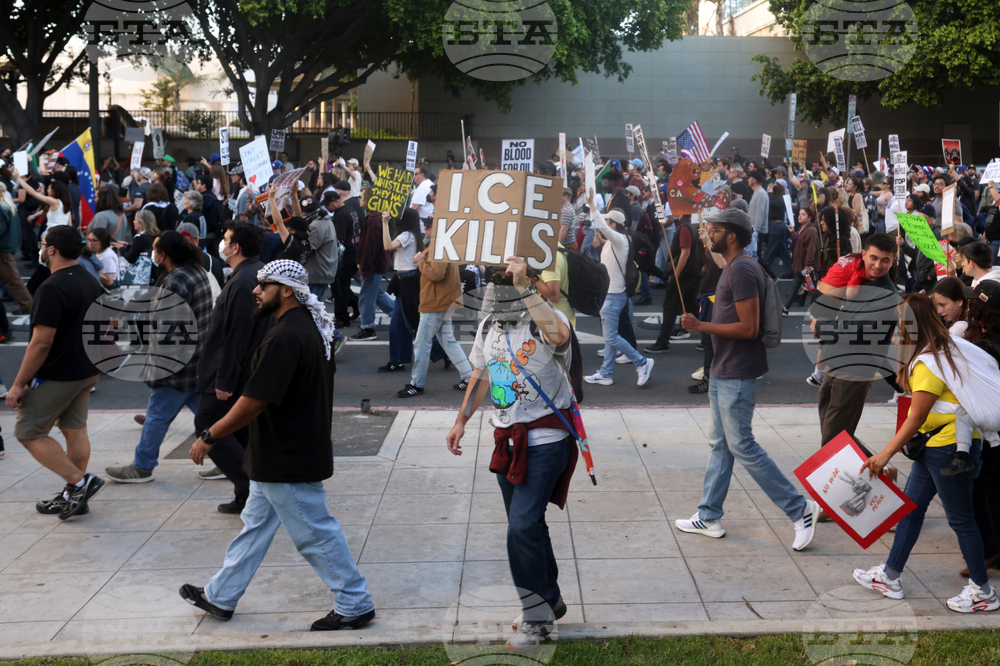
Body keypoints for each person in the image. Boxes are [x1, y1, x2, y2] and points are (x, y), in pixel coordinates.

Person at [181, 259, 376, 631]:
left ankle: (355, 602)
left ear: (286, 290)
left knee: (314, 532)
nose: (256, 290)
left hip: (286, 455)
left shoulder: (285, 336)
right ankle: (220, 595)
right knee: (255, 526)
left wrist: (210, 434)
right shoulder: (305, 327)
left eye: (264, 285)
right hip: (280, 451)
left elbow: (254, 401)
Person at [446, 257, 575, 648]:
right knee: (529, 527)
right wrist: (461, 421)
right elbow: (481, 375)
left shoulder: (548, 319)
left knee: (520, 527)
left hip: (547, 441)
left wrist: (525, 287)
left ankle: (536, 620)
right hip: (507, 440)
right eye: (497, 285)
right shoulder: (489, 326)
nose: (497, 294)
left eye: (509, 286)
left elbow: (559, 339)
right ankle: (551, 599)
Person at [675, 207, 820, 550]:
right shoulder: (733, 265)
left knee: (742, 445)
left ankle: (800, 510)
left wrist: (699, 326)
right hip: (725, 369)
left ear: (732, 235)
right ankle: (708, 515)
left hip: (738, 373)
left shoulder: (741, 270)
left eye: (715, 229)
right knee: (721, 445)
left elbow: (749, 328)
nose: (710, 232)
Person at [853, 293, 999, 613]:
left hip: (948, 448)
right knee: (911, 509)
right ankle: (890, 576)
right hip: (938, 445)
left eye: (897, 327)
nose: (893, 334)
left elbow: (916, 415)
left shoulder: (928, 362)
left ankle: (982, 592)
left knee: (961, 519)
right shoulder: (943, 350)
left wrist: (885, 454)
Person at [5, 225, 105, 519]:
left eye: (44, 243)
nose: (41, 247)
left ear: (52, 250)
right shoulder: (89, 279)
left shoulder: (51, 287)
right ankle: (73, 496)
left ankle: (80, 482)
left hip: (59, 374)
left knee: (27, 432)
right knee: (75, 431)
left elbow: (40, 343)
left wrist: (18, 384)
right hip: (86, 370)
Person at [104, 231, 214, 483]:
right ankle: (234, 459)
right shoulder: (195, 271)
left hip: (177, 367)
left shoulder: (176, 280)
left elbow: (169, 333)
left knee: (156, 417)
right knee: (209, 418)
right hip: (198, 361)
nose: (153, 254)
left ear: (163, 255)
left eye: (155, 250)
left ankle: (142, 466)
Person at [194, 222, 269, 513]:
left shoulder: (242, 281)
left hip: (232, 374)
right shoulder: (253, 273)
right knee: (240, 432)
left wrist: (223, 380)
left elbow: (235, 335)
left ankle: (251, 488)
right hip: (243, 370)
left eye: (225, 240)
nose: (222, 245)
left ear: (235, 247)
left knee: (209, 425)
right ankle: (246, 493)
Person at [812, 233, 899, 446]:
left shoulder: (886, 294)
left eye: (885, 260)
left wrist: (822, 327)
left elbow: (861, 331)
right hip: (834, 366)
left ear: (893, 260)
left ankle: (876, 471)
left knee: (833, 442)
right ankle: (876, 470)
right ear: (863, 255)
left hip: (854, 373)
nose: (878, 265)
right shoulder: (857, 281)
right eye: (874, 258)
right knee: (836, 438)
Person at [583, 200, 654, 387]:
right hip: (612, 293)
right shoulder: (614, 242)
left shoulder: (620, 239)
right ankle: (606, 373)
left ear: (613, 225)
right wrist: (600, 244)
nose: (604, 224)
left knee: (611, 337)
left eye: (608, 221)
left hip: (613, 295)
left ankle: (642, 362)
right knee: (611, 336)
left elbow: (605, 230)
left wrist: (592, 207)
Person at [396, 245, 473, 397]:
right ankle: (469, 376)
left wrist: (421, 262)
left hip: (435, 302)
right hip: (444, 300)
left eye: (428, 225)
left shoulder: (439, 247)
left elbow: (436, 274)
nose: (424, 228)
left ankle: (416, 384)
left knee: (422, 343)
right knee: (448, 341)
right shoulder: (446, 246)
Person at [645, 213, 701, 354]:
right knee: (691, 307)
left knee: (670, 307)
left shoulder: (685, 228)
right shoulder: (690, 225)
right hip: (691, 272)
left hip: (684, 274)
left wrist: (676, 274)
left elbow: (685, 253)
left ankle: (662, 342)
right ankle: (709, 340)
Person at [380, 209, 422, 373]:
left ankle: (443, 351)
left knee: (413, 323)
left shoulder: (406, 235)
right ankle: (397, 360)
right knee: (399, 323)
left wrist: (384, 223)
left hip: (408, 281)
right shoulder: (412, 234)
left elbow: (387, 245)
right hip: (404, 279)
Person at [352, 208, 393, 340]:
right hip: (376, 263)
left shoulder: (374, 221)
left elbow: (370, 248)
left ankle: (368, 328)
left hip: (373, 265)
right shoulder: (375, 219)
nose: (360, 197)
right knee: (375, 292)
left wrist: (366, 268)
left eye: (363, 194)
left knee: (367, 296)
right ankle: (399, 314)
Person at [330, 180, 360, 328]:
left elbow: (339, 241)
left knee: (339, 289)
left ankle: (342, 318)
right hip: (354, 252)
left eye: (328, 204)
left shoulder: (340, 215)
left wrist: (335, 261)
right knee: (343, 286)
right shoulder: (349, 209)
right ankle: (356, 304)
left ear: (335, 201)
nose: (328, 208)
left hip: (345, 257)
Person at [783, 206, 820, 315]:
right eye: (799, 214)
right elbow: (799, 242)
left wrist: (808, 264)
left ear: (810, 217)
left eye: (803, 214)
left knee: (812, 289)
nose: (799, 216)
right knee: (801, 287)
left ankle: (786, 308)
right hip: (801, 265)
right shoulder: (803, 228)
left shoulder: (811, 230)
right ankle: (786, 308)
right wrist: (793, 232)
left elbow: (810, 249)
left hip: (805, 266)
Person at [0, 183, 31, 313]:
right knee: (12, 279)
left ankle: (27, 305)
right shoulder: (9, 205)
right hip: (9, 246)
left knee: (13, 280)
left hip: (3, 248)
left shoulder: (1, 208)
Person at [114, 209, 159, 286]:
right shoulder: (155, 236)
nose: (133, 222)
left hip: (142, 277)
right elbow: (142, 249)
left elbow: (131, 258)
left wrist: (121, 248)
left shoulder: (139, 237)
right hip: (154, 275)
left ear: (141, 223)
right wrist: (128, 246)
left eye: (135, 220)